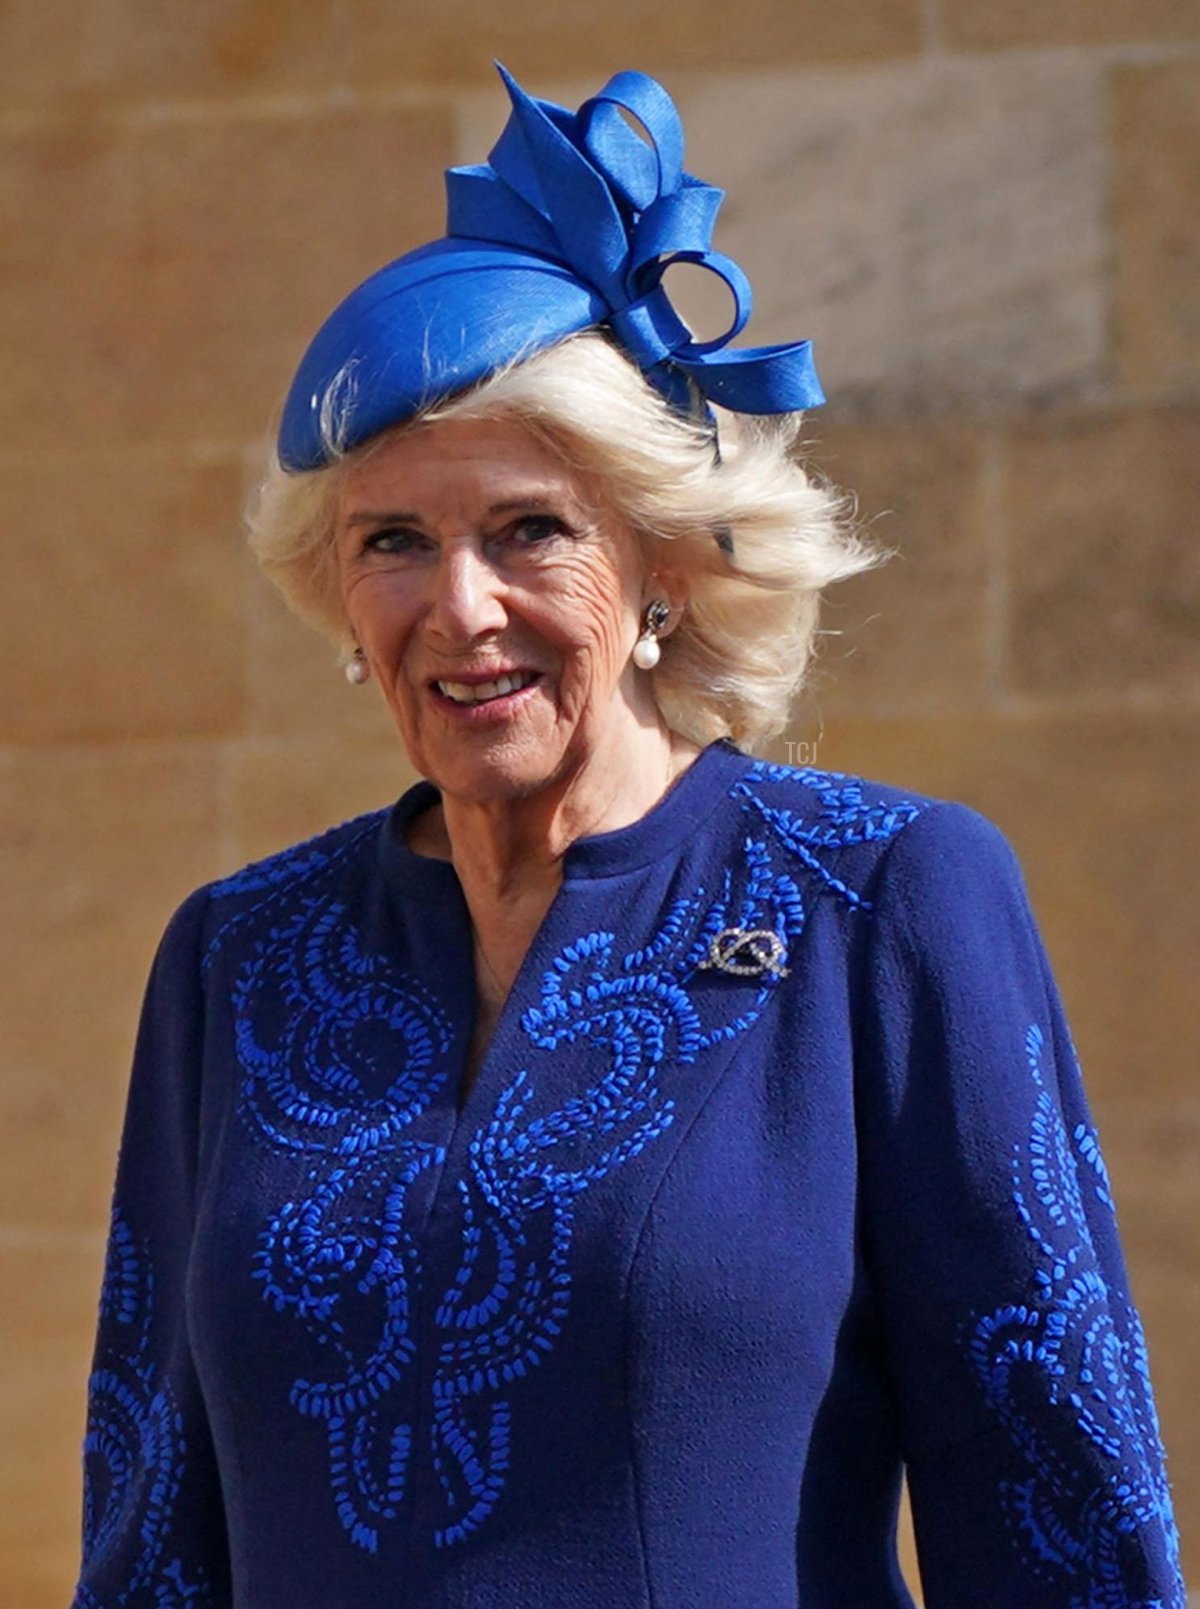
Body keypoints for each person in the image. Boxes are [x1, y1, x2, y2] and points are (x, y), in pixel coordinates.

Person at [72, 65, 1185, 1609]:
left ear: (662, 566)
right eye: (395, 541)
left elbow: (1066, 1518)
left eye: (530, 529)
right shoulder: (237, 956)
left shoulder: (880, 900)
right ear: (341, 597)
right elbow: (149, 1535)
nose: (463, 606)